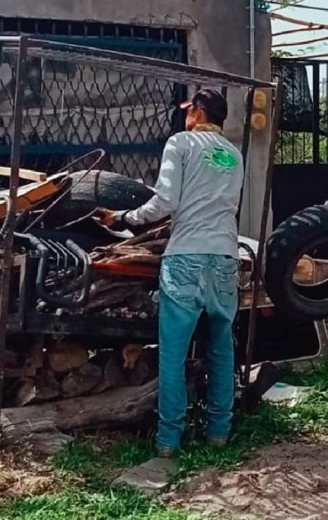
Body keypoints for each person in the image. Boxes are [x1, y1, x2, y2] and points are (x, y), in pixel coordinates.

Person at [97, 89, 244, 457]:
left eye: (187, 111)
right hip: (225, 257)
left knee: (173, 354)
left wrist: (124, 219)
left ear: (197, 110)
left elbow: (165, 201)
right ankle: (219, 432)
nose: (184, 117)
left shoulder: (180, 143)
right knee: (222, 348)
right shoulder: (234, 155)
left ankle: (168, 440)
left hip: (186, 258)